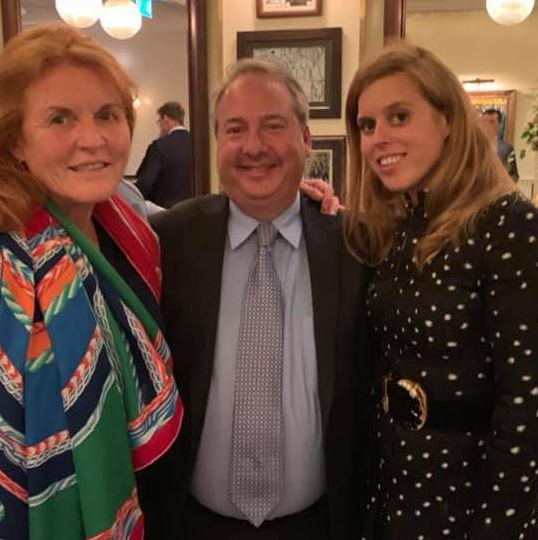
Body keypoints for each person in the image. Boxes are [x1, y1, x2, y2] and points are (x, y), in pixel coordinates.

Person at [0, 24, 182, 539]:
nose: (91, 139)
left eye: (107, 115)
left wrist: (300, 201)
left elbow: (208, 222)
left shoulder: (128, 221)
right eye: (59, 118)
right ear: (15, 142)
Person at [343, 45, 538, 539]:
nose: (380, 138)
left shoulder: (511, 225)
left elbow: (529, 415)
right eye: (368, 125)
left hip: (477, 498)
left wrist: (494, 528)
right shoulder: (395, 229)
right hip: (397, 490)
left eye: (399, 116)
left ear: (447, 119)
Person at [143, 59, 370, 539]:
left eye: (273, 126)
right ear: (217, 142)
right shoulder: (167, 241)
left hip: (320, 525)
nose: (253, 147)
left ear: (306, 140)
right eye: (235, 129)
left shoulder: (355, 248)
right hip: (191, 525)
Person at [134, 101, 193, 208]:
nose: (160, 126)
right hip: (194, 212)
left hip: (165, 215)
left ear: (165, 118)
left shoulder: (159, 146)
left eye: (159, 121)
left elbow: (146, 183)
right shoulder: (198, 145)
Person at [480, 108, 519, 181]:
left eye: (491, 122)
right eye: (484, 122)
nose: (487, 125)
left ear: (499, 124)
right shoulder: (473, 147)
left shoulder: (507, 148)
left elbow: (514, 175)